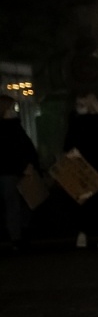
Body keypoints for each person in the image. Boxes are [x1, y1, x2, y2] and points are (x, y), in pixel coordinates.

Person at [64, 93, 98, 249]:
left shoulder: (96, 122)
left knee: (95, 202)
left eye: (82, 104)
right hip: (86, 165)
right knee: (88, 202)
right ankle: (89, 233)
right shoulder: (81, 122)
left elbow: (69, 144)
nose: (78, 108)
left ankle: (95, 234)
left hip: (96, 166)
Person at [0, 96, 39, 250]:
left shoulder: (15, 126)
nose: (14, 111)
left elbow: (25, 148)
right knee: (13, 204)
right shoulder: (7, 128)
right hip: (8, 172)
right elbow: (9, 152)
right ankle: (17, 236)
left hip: (19, 171)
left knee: (26, 203)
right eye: (11, 108)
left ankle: (21, 232)